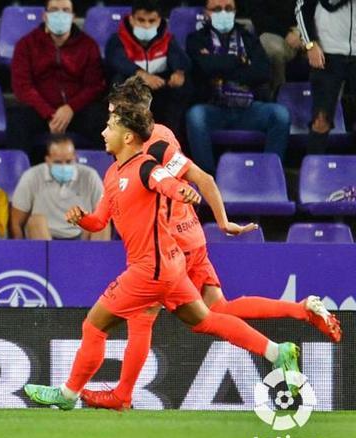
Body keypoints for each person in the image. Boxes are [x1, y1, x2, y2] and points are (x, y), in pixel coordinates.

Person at [78, 77, 342, 410]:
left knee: (146, 316)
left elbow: (201, 180)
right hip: (190, 238)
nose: (109, 121)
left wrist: (222, 221)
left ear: (127, 111)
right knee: (219, 309)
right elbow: (198, 180)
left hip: (169, 244)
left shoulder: (153, 144)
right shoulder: (160, 137)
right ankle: (300, 311)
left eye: (113, 112)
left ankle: (122, 395)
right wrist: (218, 221)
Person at [23, 105, 302, 411]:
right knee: (206, 320)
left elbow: (165, 182)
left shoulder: (146, 166)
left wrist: (183, 192)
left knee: (94, 326)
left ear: (128, 136)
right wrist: (82, 219)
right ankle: (279, 352)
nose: (103, 132)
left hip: (149, 271)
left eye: (110, 126)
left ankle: (68, 394)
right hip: (171, 269)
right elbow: (100, 221)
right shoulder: (113, 173)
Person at [185, 0, 290, 175]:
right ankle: (208, 177)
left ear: (235, 11)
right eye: (217, 9)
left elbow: (262, 73)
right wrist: (240, 62)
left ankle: (269, 174)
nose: (223, 13)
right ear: (206, 13)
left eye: (228, 9)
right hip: (214, 108)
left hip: (248, 109)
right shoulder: (196, 39)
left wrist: (218, 65)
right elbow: (203, 69)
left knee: (280, 115)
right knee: (195, 116)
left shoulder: (248, 38)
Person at [9, 0, 107, 160]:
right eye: (54, 10)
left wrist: (70, 108)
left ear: (73, 16)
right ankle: (19, 175)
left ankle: (105, 173)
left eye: (65, 10)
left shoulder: (88, 45)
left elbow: (94, 85)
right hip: (40, 111)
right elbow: (22, 86)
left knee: (105, 120)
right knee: (17, 120)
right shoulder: (26, 44)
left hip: (77, 111)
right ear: (45, 15)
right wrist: (49, 114)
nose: (60, 14)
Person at [105, 0, 191, 136]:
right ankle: (123, 135)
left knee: (182, 86)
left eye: (152, 21)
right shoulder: (118, 39)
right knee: (118, 80)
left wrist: (178, 72)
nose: (146, 25)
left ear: (159, 21)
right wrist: (142, 76)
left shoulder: (167, 39)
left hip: (159, 93)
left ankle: (169, 138)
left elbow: (181, 60)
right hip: (132, 93)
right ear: (132, 19)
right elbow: (116, 61)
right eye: (141, 20)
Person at [10, 135, 108, 240]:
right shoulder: (31, 176)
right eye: (58, 162)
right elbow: (16, 222)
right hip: (45, 239)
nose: (64, 166)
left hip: (81, 237)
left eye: (68, 161)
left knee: (102, 224)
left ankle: (97, 256)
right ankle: (45, 256)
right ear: (47, 159)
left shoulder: (90, 176)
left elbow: (103, 213)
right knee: (35, 221)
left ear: (75, 158)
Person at [296, 0, 356, 154]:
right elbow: (301, 7)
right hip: (328, 53)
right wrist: (310, 44)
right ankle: (312, 174)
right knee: (321, 120)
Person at [251, 0, 303, 97]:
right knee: (274, 50)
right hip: (271, 32)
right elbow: (259, 18)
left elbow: (309, 10)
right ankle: (278, 94)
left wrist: (301, 32)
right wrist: (286, 33)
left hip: (301, 28)